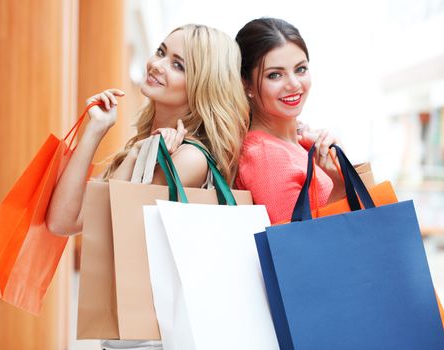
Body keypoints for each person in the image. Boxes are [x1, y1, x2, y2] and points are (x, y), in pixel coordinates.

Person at [46, 24, 249, 350]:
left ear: (201, 86)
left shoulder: (190, 159)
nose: (158, 64)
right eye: (161, 51)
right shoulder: (145, 148)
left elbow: (95, 217)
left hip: (156, 342)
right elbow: (62, 222)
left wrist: (142, 154)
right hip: (128, 340)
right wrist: (96, 130)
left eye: (178, 64)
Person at [234, 17, 346, 224]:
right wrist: (340, 185)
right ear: (246, 83)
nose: (294, 84)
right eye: (275, 75)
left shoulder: (300, 143)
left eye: (300, 69)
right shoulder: (265, 156)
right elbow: (300, 247)